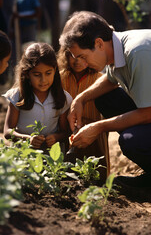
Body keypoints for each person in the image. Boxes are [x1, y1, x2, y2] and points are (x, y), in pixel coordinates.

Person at [59, 10, 151, 190]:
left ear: (99, 43)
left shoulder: (138, 52)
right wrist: (80, 99)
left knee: (132, 140)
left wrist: (98, 127)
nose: (82, 64)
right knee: (105, 98)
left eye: (83, 57)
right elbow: (110, 79)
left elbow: (148, 113)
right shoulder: (117, 49)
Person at [3, 42, 72, 151]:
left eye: (48, 73)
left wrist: (55, 137)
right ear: (26, 73)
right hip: (24, 157)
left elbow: (65, 132)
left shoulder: (63, 98)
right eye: (37, 75)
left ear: (55, 70)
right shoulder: (17, 96)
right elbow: (7, 131)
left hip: (52, 158)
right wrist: (27, 139)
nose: (43, 80)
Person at [57, 47, 110, 182]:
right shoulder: (61, 78)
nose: (77, 61)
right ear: (66, 55)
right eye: (73, 56)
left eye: (82, 57)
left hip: (93, 132)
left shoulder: (100, 79)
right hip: (68, 129)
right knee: (68, 168)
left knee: (97, 169)